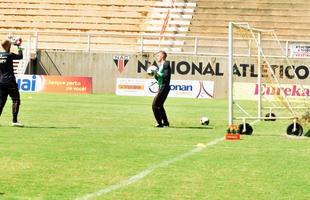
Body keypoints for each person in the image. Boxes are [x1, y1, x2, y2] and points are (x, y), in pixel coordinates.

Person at [0, 38, 24, 127]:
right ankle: (14, 121)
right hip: (10, 81)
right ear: (8, 46)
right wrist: (18, 46)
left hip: (1, 82)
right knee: (16, 100)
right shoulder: (9, 55)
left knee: (1, 102)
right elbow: (20, 56)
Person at [152, 51, 171, 128]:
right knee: (159, 105)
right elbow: (159, 78)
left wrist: (157, 72)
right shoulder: (161, 65)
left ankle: (159, 123)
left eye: (158, 55)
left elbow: (166, 76)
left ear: (162, 56)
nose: (157, 57)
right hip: (162, 87)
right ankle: (166, 122)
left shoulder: (166, 64)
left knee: (154, 105)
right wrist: (154, 74)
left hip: (164, 86)